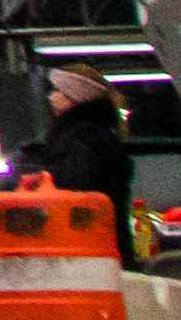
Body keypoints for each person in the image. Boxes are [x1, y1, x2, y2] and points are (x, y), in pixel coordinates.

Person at [31, 59, 137, 257]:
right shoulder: (101, 135)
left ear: (74, 98)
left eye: (58, 91)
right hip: (108, 245)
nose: (51, 97)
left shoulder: (79, 139)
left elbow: (74, 193)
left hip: (85, 249)